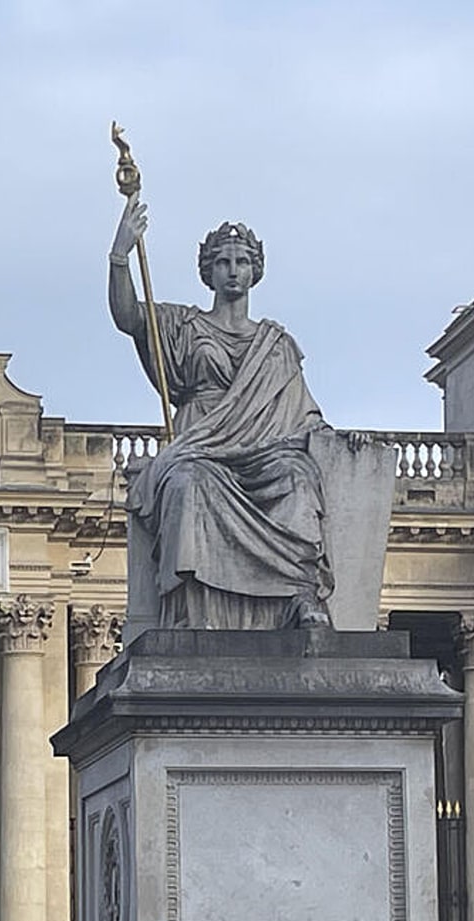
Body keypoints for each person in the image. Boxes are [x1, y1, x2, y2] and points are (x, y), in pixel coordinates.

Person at [110, 196, 333, 629]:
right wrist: (121, 256)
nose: (234, 270)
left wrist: (340, 442)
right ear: (208, 271)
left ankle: (300, 598)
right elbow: (128, 317)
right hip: (201, 444)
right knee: (186, 483)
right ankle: (193, 608)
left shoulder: (277, 343)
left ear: (255, 271)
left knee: (298, 480)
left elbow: (305, 416)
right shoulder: (183, 324)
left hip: (266, 449)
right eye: (224, 262)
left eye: (242, 261)